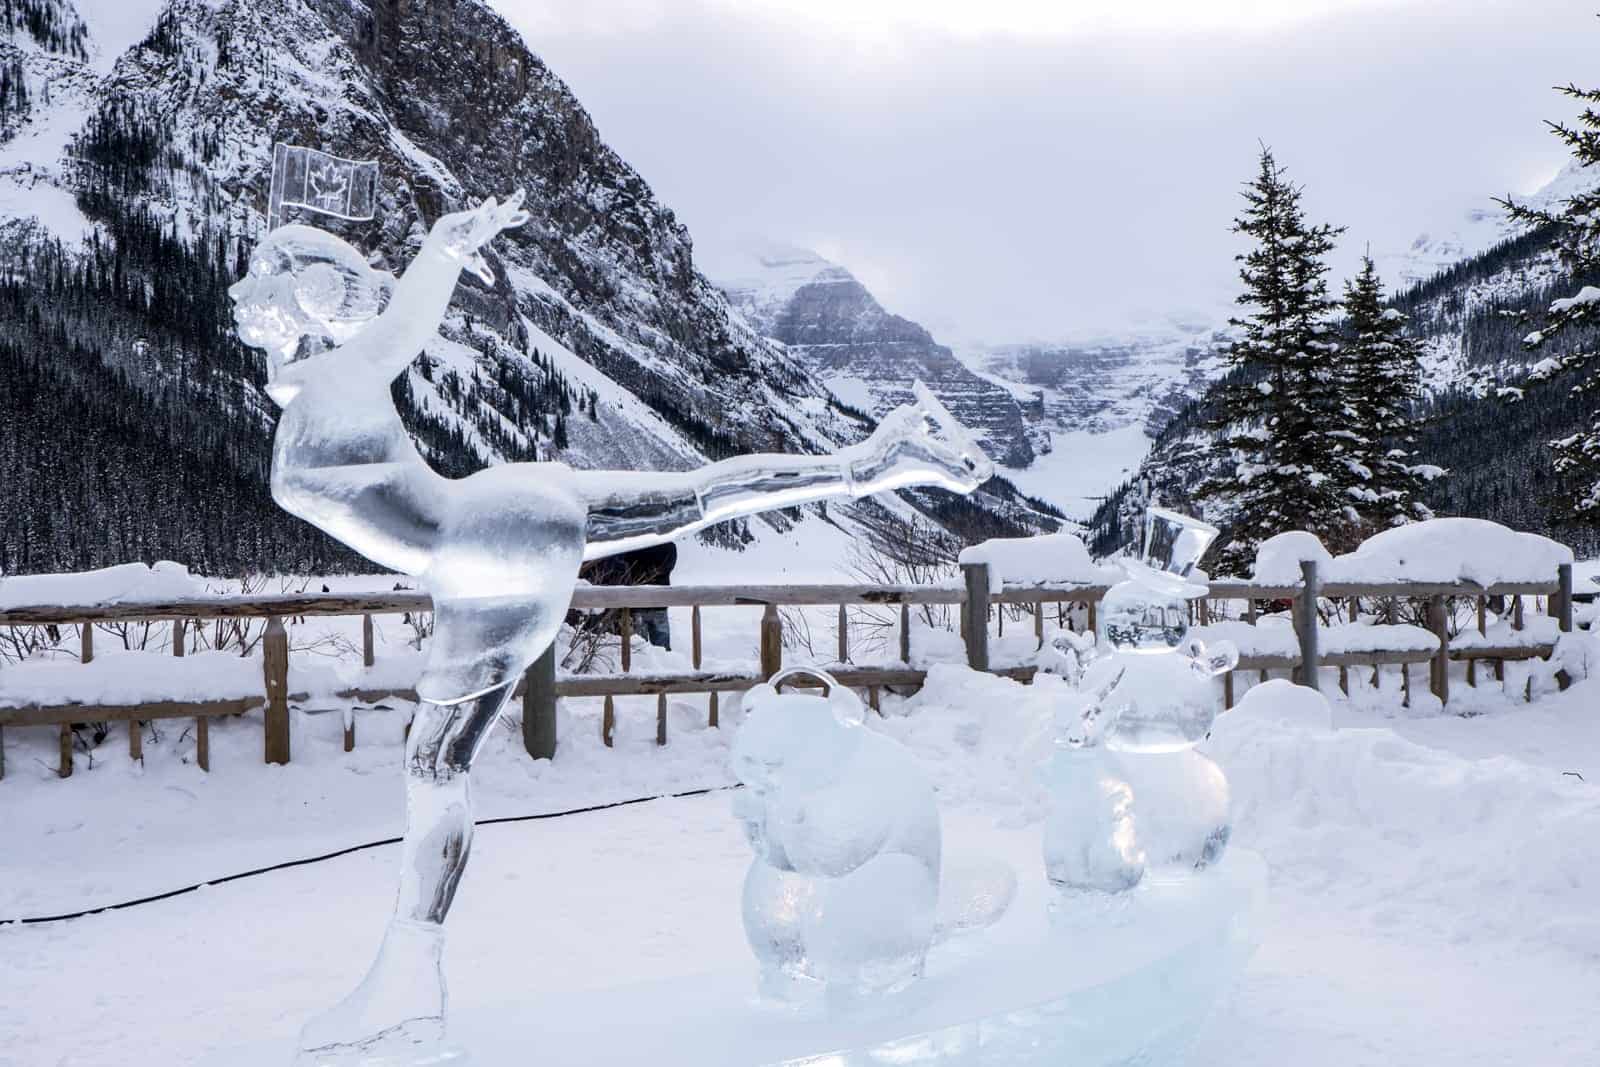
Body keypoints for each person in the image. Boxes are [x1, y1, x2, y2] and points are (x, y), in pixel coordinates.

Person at [228, 190, 993, 1065]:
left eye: (257, 274)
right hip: (507, 511)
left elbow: (396, 329)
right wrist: (440, 250)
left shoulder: (335, 378)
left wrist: (439, 254)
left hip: (479, 553)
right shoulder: (328, 379)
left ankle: (407, 984)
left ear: (303, 297)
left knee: (435, 769)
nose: (237, 292)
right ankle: (876, 461)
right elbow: (396, 327)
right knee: (696, 497)